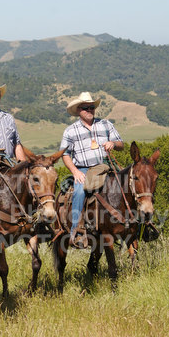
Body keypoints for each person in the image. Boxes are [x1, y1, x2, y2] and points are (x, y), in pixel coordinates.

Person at [59, 92, 123, 248]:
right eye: (85, 108)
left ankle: (138, 224)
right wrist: (75, 172)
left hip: (105, 166)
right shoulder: (70, 131)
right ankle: (77, 231)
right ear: (78, 110)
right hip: (83, 169)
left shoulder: (106, 124)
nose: (89, 110)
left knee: (129, 185)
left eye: (91, 107)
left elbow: (121, 144)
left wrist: (113, 144)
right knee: (79, 191)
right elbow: (65, 154)